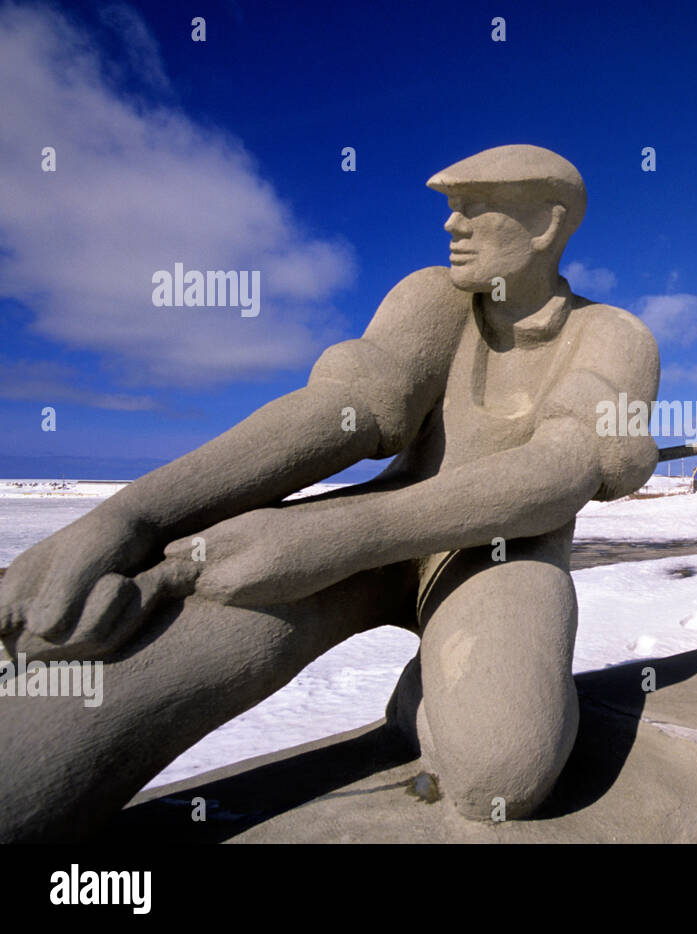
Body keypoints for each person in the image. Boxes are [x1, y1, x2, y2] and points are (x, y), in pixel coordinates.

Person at [0, 145, 660, 840]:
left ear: (546, 224)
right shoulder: (435, 301)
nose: (452, 226)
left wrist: (327, 538)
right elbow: (342, 412)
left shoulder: (611, 335)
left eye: (475, 207)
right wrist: (131, 518)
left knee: (503, 772)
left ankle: (423, 696)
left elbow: (558, 473)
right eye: (449, 209)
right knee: (77, 717)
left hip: (497, 557)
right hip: (373, 546)